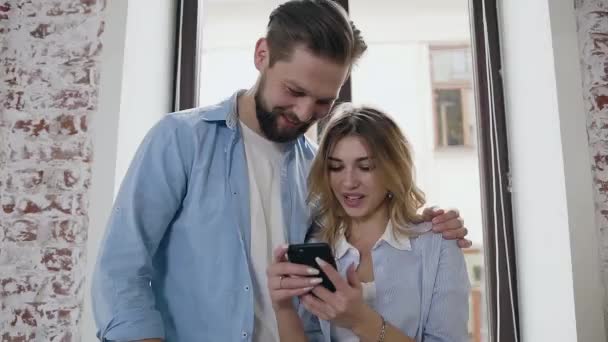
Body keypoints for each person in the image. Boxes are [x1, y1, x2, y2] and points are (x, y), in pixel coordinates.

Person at [91, 1, 470, 341]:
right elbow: (121, 270)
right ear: (262, 54)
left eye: (324, 101)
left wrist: (427, 223)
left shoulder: (318, 172)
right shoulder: (181, 141)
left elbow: (361, 230)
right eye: (294, 90)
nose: (305, 113)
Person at [267, 104, 470, 342]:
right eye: (336, 167)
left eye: (365, 167)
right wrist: (283, 308)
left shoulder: (437, 246)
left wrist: (361, 320)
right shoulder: (318, 246)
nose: (349, 182)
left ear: (393, 168)